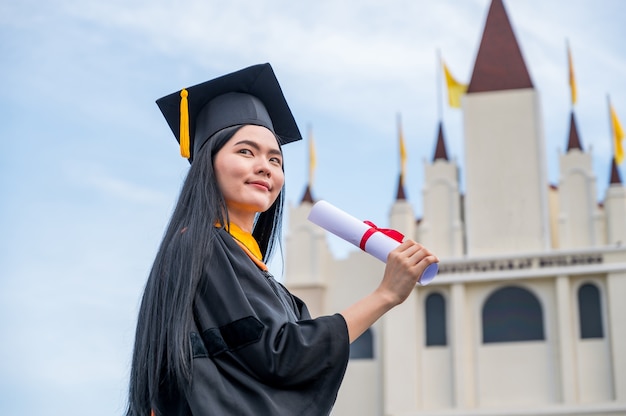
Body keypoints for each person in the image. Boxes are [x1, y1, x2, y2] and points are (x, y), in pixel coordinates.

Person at [126, 63, 438, 416]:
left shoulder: (248, 265)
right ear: (206, 162)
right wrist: (385, 295)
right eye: (246, 152)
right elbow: (285, 356)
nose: (265, 166)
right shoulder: (202, 248)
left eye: (275, 158)